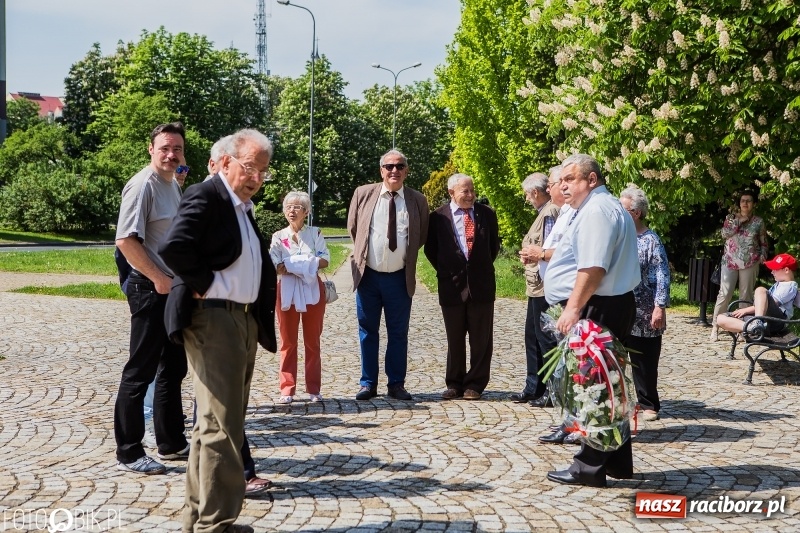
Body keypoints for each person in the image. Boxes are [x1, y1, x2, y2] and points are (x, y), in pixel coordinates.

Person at [160, 128, 277, 533]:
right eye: (250, 167)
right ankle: (217, 524)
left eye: (263, 171)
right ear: (225, 161)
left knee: (215, 424)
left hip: (240, 319)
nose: (256, 178)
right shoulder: (207, 194)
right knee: (222, 426)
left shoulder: (241, 205)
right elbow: (174, 247)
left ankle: (199, 518)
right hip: (214, 318)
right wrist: (206, 284)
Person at [543, 154, 640, 488]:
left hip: (597, 307)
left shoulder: (598, 211)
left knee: (593, 386)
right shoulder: (601, 207)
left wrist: (571, 309)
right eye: (563, 180)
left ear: (592, 179)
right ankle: (616, 461)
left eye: (571, 178)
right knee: (609, 385)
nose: (563, 185)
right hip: (606, 304)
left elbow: (593, 268)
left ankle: (588, 466)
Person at [114, 122, 190, 475]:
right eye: (164, 148)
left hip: (170, 290)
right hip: (150, 289)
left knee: (173, 368)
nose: (171, 154)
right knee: (139, 370)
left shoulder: (171, 184)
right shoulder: (143, 184)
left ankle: (171, 442)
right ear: (151, 149)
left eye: (176, 148)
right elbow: (126, 241)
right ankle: (129, 451)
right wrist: (159, 278)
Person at [348, 149, 430, 401]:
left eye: (399, 166)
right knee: (367, 330)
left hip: (399, 277)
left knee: (398, 333)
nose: (394, 170)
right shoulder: (363, 194)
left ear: (406, 170)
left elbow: (421, 236)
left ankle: (396, 384)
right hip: (368, 276)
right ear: (381, 170)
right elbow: (353, 228)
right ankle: (368, 383)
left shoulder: (417, 200)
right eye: (389, 166)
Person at [425, 174, 500, 400]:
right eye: (464, 191)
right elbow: (431, 250)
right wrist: (449, 270)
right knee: (454, 338)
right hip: (452, 286)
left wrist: (477, 268)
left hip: (481, 285)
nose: (470, 195)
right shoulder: (437, 218)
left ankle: (475, 385)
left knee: (481, 340)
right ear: (451, 193)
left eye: (472, 191)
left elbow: (493, 246)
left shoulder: (487, 214)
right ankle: (454, 383)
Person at [270, 191, 330, 404]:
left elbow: (324, 260)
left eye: (297, 207)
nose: (292, 211)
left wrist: (294, 264)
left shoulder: (315, 233)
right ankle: (287, 388)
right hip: (286, 291)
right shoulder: (279, 236)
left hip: (312, 290)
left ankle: (314, 388)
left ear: (306, 211)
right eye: (288, 207)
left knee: (312, 341)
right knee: (288, 342)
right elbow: (276, 265)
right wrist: (306, 264)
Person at [511, 169, 562, 405]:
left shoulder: (550, 211)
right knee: (532, 336)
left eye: (526, 195)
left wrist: (536, 255)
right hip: (536, 285)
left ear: (534, 192)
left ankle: (550, 390)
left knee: (545, 339)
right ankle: (534, 387)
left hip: (545, 285)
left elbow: (552, 249)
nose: (526, 199)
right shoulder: (544, 211)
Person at [619, 186, 670, 423]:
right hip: (620, 306)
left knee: (644, 360)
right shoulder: (619, 237)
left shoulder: (651, 240)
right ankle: (618, 401)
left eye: (624, 208)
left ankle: (649, 404)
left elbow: (662, 274)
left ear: (636, 213)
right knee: (617, 356)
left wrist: (660, 306)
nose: (619, 212)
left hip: (645, 310)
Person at [710, 190, 768, 340]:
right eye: (743, 200)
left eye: (749, 201)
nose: (745, 203)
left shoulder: (758, 221)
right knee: (725, 293)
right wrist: (738, 222)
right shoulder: (731, 218)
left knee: (746, 295)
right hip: (730, 260)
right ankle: (715, 326)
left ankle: (743, 328)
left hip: (750, 261)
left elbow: (763, 241)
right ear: (739, 203)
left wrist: (763, 254)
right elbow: (724, 234)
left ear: (753, 204)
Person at [716, 253, 797, 336]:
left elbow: (769, 304)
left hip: (777, 321)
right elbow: (763, 305)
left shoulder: (789, 286)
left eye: (775, 269)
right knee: (720, 318)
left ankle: (758, 322)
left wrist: (745, 310)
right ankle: (752, 328)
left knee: (760, 290)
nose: (772, 272)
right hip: (766, 320)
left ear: (786, 270)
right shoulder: (779, 284)